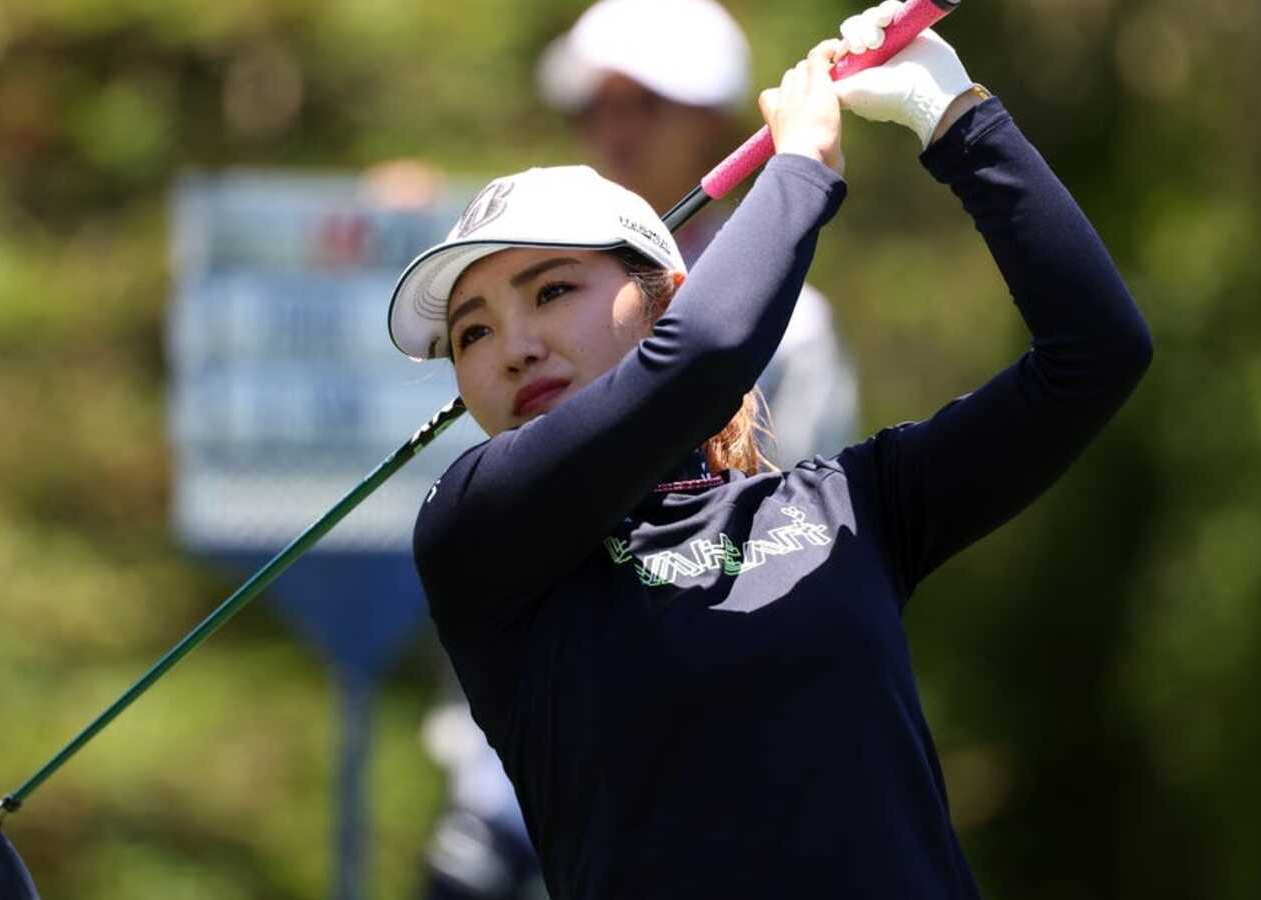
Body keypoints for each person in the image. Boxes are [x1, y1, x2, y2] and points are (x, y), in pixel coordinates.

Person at [387, 3, 1153, 898]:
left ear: (666, 296)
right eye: (472, 334)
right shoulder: (479, 532)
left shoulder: (849, 507)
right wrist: (801, 167)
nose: (512, 345)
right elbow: (706, 359)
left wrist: (959, 119)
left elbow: (1096, 353)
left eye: (552, 289)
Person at [416, 3, 855, 896]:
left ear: (719, 122)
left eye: (645, 105)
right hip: (515, 801)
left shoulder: (794, 328)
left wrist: (806, 169)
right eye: (594, 109)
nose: (613, 132)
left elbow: (791, 547)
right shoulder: (513, 296)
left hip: (710, 770)